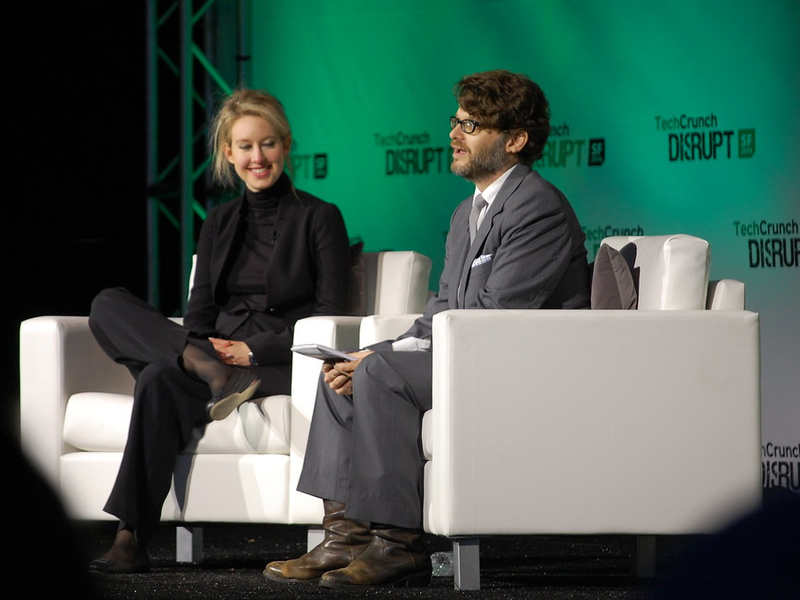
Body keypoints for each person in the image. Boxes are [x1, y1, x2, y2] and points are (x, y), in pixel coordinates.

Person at [263, 69, 591, 589]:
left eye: (471, 125)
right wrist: (372, 352)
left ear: (515, 140)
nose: (454, 134)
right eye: (455, 121)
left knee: (379, 373)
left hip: (516, 366)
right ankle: (345, 537)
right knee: (343, 370)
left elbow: (496, 318)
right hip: (470, 355)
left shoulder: (538, 207)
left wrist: (381, 362)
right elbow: (440, 311)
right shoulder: (465, 213)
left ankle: (398, 547)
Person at [87, 88, 352, 573]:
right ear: (228, 153)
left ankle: (130, 534)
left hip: (275, 364)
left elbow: (331, 314)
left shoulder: (320, 217)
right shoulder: (219, 220)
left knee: (156, 376)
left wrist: (252, 351)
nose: (258, 157)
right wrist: (204, 350)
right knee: (107, 303)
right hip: (214, 361)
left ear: (286, 145)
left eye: (267, 144)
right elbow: (199, 313)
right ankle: (208, 373)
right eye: (245, 146)